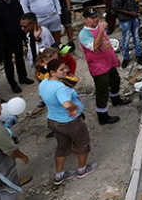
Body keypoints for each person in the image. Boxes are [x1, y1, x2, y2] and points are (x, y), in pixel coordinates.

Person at [39, 58, 98, 186]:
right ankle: (82, 169)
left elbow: (41, 97)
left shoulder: (44, 83)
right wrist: (74, 107)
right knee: (82, 143)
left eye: (65, 67)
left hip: (53, 120)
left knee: (62, 147)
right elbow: (66, 104)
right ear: (53, 72)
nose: (66, 70)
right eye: (62, 69)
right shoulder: (60, 87)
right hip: (69, 122)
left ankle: (59, 175)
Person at [78, 8, 130, 125]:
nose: (95, 20)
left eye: (96, 17)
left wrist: (114, 58)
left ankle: (116, 99)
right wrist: (101, 30)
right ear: (85, 20)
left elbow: (107, 43)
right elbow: (95, 47)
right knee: (102, 91)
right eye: (92, 18)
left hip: (109, 63)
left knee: (115, 80)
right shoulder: (84, 34)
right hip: (99, 68)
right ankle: (102, 116)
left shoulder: (98, 28)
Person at [0, 0, 34, 94]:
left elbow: (21, 16)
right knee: (8, 61)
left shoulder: (13, 1)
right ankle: (12, 83)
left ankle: (22, 77)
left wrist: (23, 34)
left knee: (19, 57)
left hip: (16, 35)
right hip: (4, 39)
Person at [112, 0, 142, 68]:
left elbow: (132, 1)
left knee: (137, 37)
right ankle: (126, 58)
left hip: (133, 17)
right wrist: (130, 13)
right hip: (125, 19)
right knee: (125, 40)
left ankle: (139, 55)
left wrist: (137, 6)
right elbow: (116, 8)